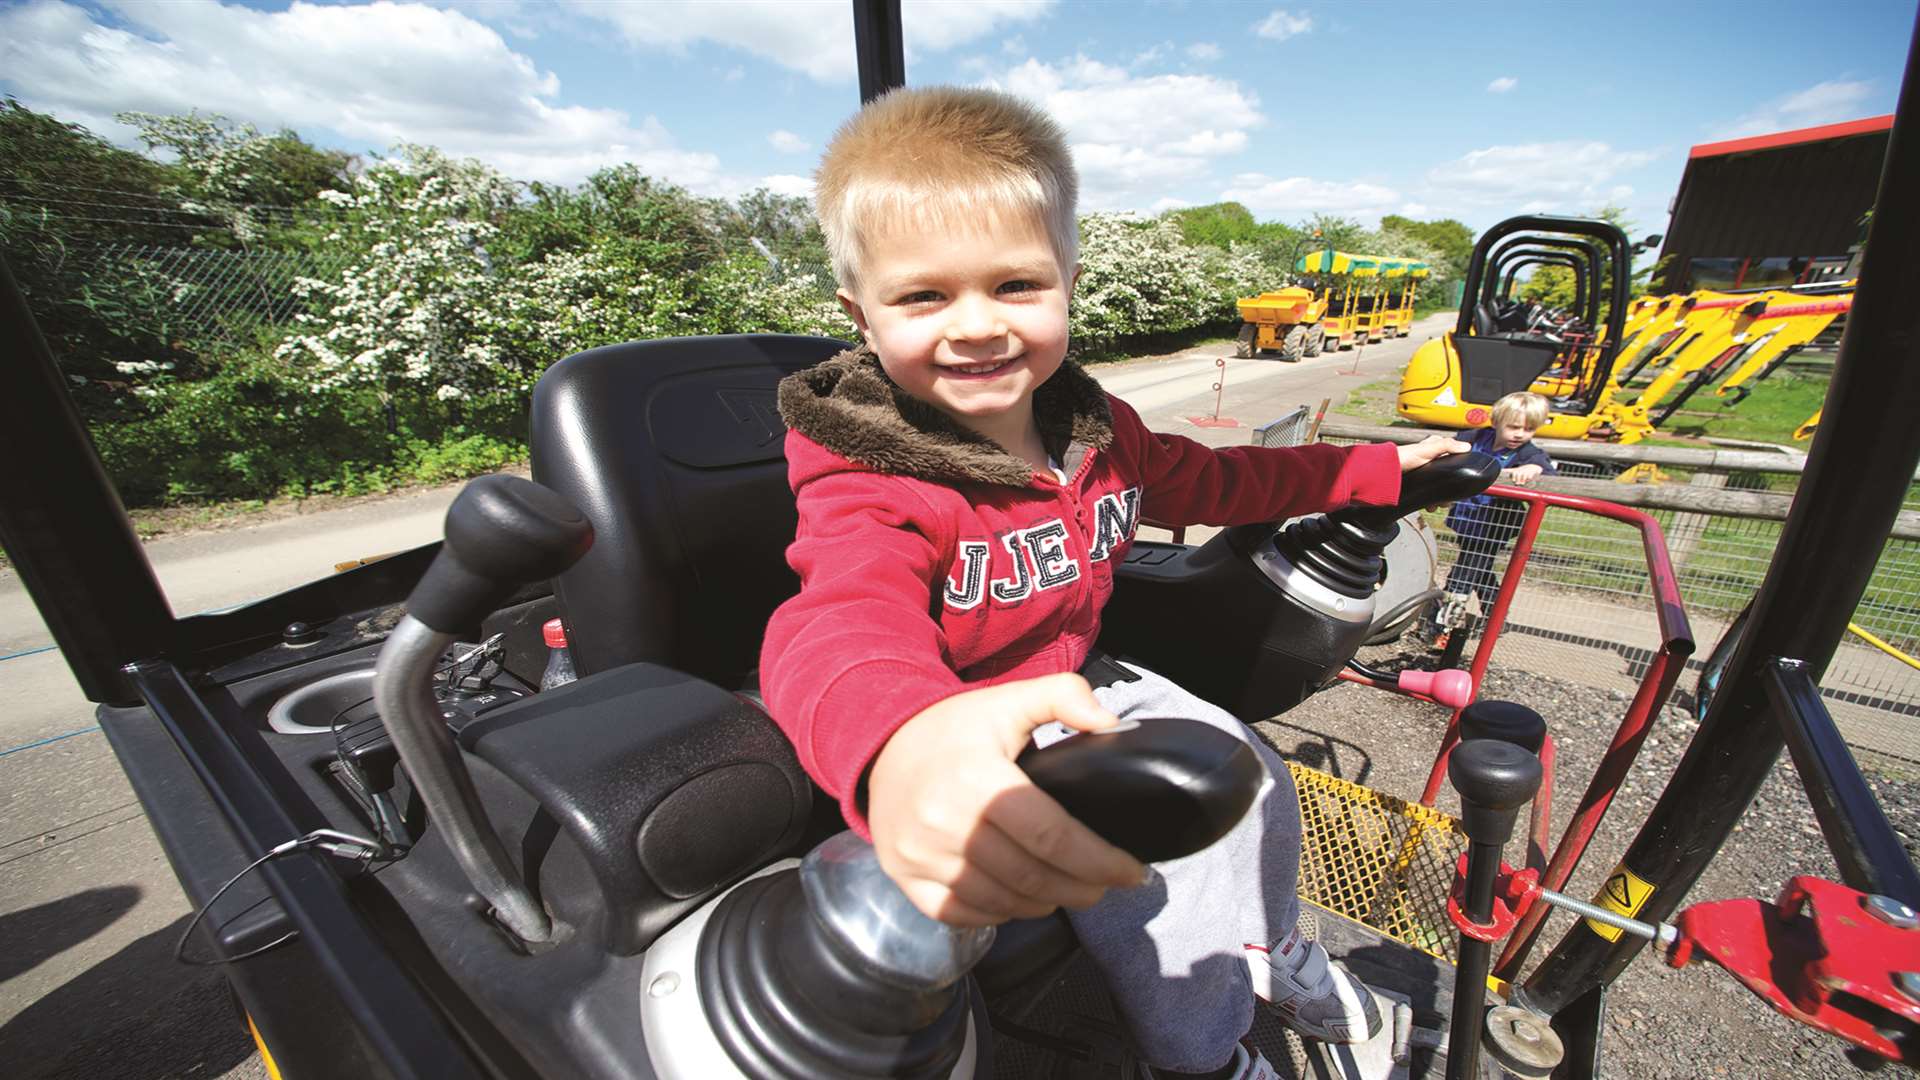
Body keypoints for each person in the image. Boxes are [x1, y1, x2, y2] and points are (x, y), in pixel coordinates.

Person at [758, 85, 1467, 1080]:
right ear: (861, 314)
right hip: (965, 716)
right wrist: (902, 743)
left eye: (1015, 287)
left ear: (1068, 283)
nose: (976, 327)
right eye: (925, 296)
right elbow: (837, 618)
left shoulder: (1094, 431)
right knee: (1155, 889)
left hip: (1076, 676)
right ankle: (1207, 1053)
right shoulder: (874, 473)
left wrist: (1379, 472)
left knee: (1247, 769)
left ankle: (1279, 956)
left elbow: (1226, 480)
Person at [1427, 391, 1558, 647]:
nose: (1520, 434)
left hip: (1495, 523)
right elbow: (1450, 444)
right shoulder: (1477, 437)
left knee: (1464, 572)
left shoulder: (1526, 453)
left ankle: (1443, 625)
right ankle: (1496, 616)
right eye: (1514, 427)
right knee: (1481, 570)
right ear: (1497, 421)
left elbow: (1544, 467)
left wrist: (1533, 469)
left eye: (1529, 429)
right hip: (1469, 518)